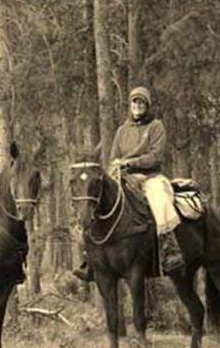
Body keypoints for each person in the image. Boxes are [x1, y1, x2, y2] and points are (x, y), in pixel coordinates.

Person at [73, 86, 183, 282]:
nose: (137, 105)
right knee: (97, 200)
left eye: (141, 102)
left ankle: (169, 248)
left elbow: (156, 156)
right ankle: (90, 258)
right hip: (124, 177)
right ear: (130, 105)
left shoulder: (156, 126)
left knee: (161, 200)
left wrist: (130, 162)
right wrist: (116, 166)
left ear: (147, 105)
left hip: (150, 177)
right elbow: (115, 156)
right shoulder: (122, 131)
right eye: (134, 102)